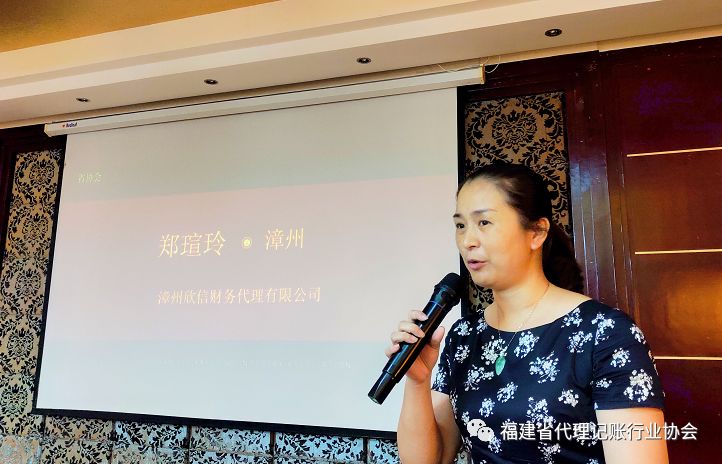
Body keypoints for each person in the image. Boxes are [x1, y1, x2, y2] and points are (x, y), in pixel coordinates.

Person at [387, 163, 667, 463]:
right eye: (460, 225)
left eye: (484, 222)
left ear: (537, 232)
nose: (468, 241)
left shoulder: (605, 333)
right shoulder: (464, 336)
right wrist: (417, 382)